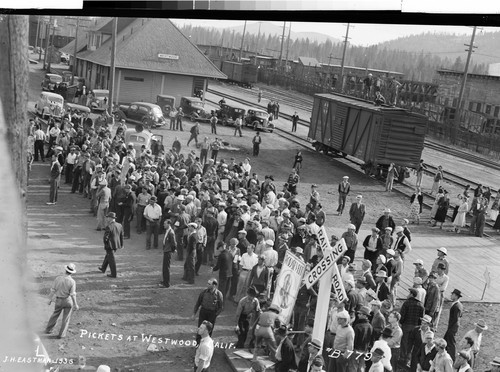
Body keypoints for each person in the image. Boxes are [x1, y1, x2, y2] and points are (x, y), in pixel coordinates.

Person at [45, 263, 79, 339]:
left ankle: (48, 329)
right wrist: (75, 304)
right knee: (66, 318)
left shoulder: (58, 279)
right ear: (72, 272)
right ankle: (61, 334)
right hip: (67, 301)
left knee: (55, 315)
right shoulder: (72, 282)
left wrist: (49, 299)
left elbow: (53, 290)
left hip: (58, 300)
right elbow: (73, 294)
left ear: (65, 270)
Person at [400, 289, 425, 366]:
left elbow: (402, 316)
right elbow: (422, 318)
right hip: (415, 327)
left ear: (411, 294)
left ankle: (402, 359)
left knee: (404, 342)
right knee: (411, 344)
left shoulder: (406, 303)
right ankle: (408, 359)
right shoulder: (421, 305)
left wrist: (401, 323)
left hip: (406, 325)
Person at [98, 212, 124, 278]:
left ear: (110, 218)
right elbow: (121, 236)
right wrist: (121, 244)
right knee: (108, 256)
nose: (107, 219)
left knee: (111, 259)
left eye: (108, 217)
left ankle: (113, 274)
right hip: (116, 244)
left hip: (110, 245)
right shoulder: (119, 225)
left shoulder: (109, 226)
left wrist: (106, 244)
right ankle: (103, 268)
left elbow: (105, 238)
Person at [444, 289, 463, 361]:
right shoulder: (458, 305)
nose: (451, 296)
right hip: (453, 327)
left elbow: (455, 319)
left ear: (456, 296)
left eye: (452, 295)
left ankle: (452, 359)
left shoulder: (456, 306)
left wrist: (450, 328)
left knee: (451, 343)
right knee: (445, 341)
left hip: (452, 327)